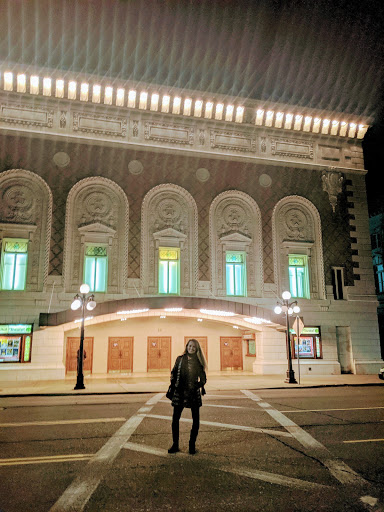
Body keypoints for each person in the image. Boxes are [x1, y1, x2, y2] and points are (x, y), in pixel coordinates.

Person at [168, 338, 207, 455]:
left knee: (196, 421)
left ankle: (192, 445)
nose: (191, 348)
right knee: (175, 420)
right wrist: (173, 381)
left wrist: (197, 385)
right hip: (180, 393)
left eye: (194, 347)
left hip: (193, 394)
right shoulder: (180, 359)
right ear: (186, 346)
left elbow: (203, 379)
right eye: (190, 346)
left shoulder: (199, 362)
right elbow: (173, 372)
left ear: (196, 349)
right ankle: (175, 445)